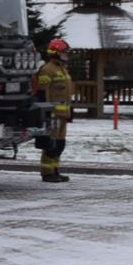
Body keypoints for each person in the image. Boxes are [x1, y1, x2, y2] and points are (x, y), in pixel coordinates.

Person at [34, 38, 74, 183]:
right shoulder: (47, 70)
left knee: (60, 144)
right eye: (64, 52)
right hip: (53, 114)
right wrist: (47, 113)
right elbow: (43, 93)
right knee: (50, 144)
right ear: (55, 53)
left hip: (63, 114)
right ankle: (47, 172)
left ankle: (55, 169)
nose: (66, 55)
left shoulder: (62, 69)